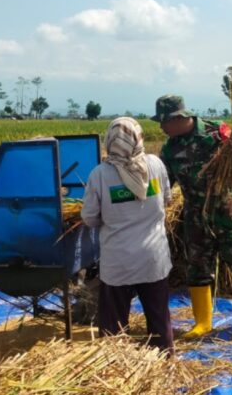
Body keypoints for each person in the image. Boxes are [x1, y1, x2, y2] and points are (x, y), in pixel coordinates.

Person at [152, 94, 232, 340]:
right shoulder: (170, 148)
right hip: (195, 215)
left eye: (162, 122)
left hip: (227, 210)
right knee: (197, 267)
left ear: (177, 118)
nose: (161, 127)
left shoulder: (216, 132)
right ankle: (203, 323)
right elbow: (164, 183)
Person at [81, 117, 174, 353]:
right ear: (138, 138)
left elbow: (90, 218)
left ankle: (115, 366)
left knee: (114, 325)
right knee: (159, 318)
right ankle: (164, 360)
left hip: (118, 260)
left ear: (110, 141)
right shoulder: (155, 165)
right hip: (153, 258)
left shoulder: (100, 174)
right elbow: (166, 200)